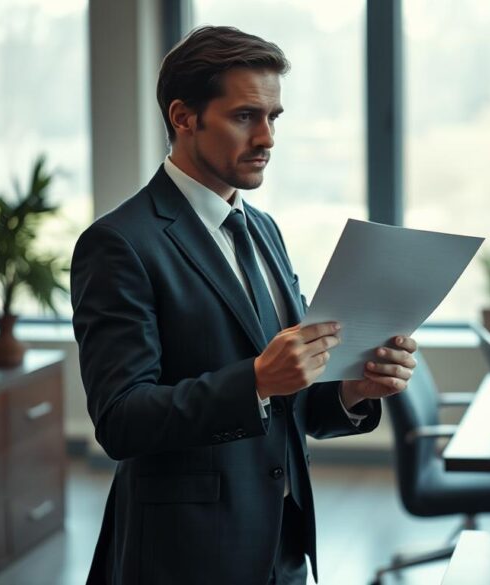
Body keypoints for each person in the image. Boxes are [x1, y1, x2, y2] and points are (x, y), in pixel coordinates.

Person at [70, 25, 417, 585]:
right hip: (184, 557)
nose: (267, 138)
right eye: (245, 116)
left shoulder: (263, 229)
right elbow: (121, 420)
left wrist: (353, 390)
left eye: (273, 117)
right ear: (184, 117)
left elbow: (292, 402)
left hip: (282, 544)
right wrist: (254, 380)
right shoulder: (119, 243)